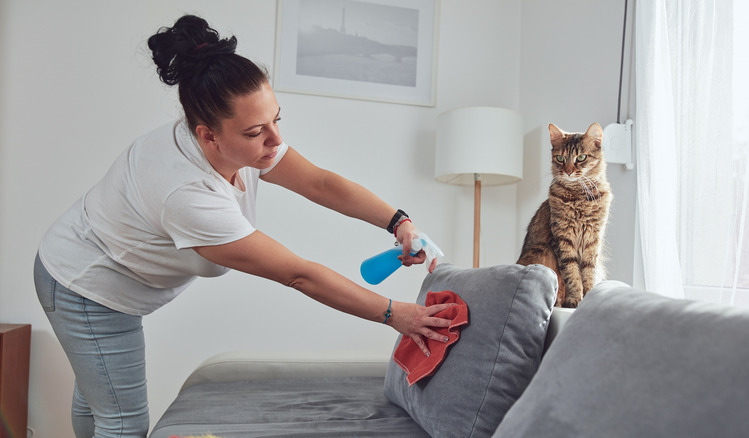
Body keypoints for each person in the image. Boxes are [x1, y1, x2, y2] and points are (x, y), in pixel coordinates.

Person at [33, 14, 453, 438]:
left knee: (98, 399)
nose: (275, 141)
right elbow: (298, 274)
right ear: (208, 136)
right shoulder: (186, 193)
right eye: (256, 131)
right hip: (85, 286)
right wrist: (395, 313)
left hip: (103, 271)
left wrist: (397, 221)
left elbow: (321, 183)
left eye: (277, 120)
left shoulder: (250, 146)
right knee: (122, 421)